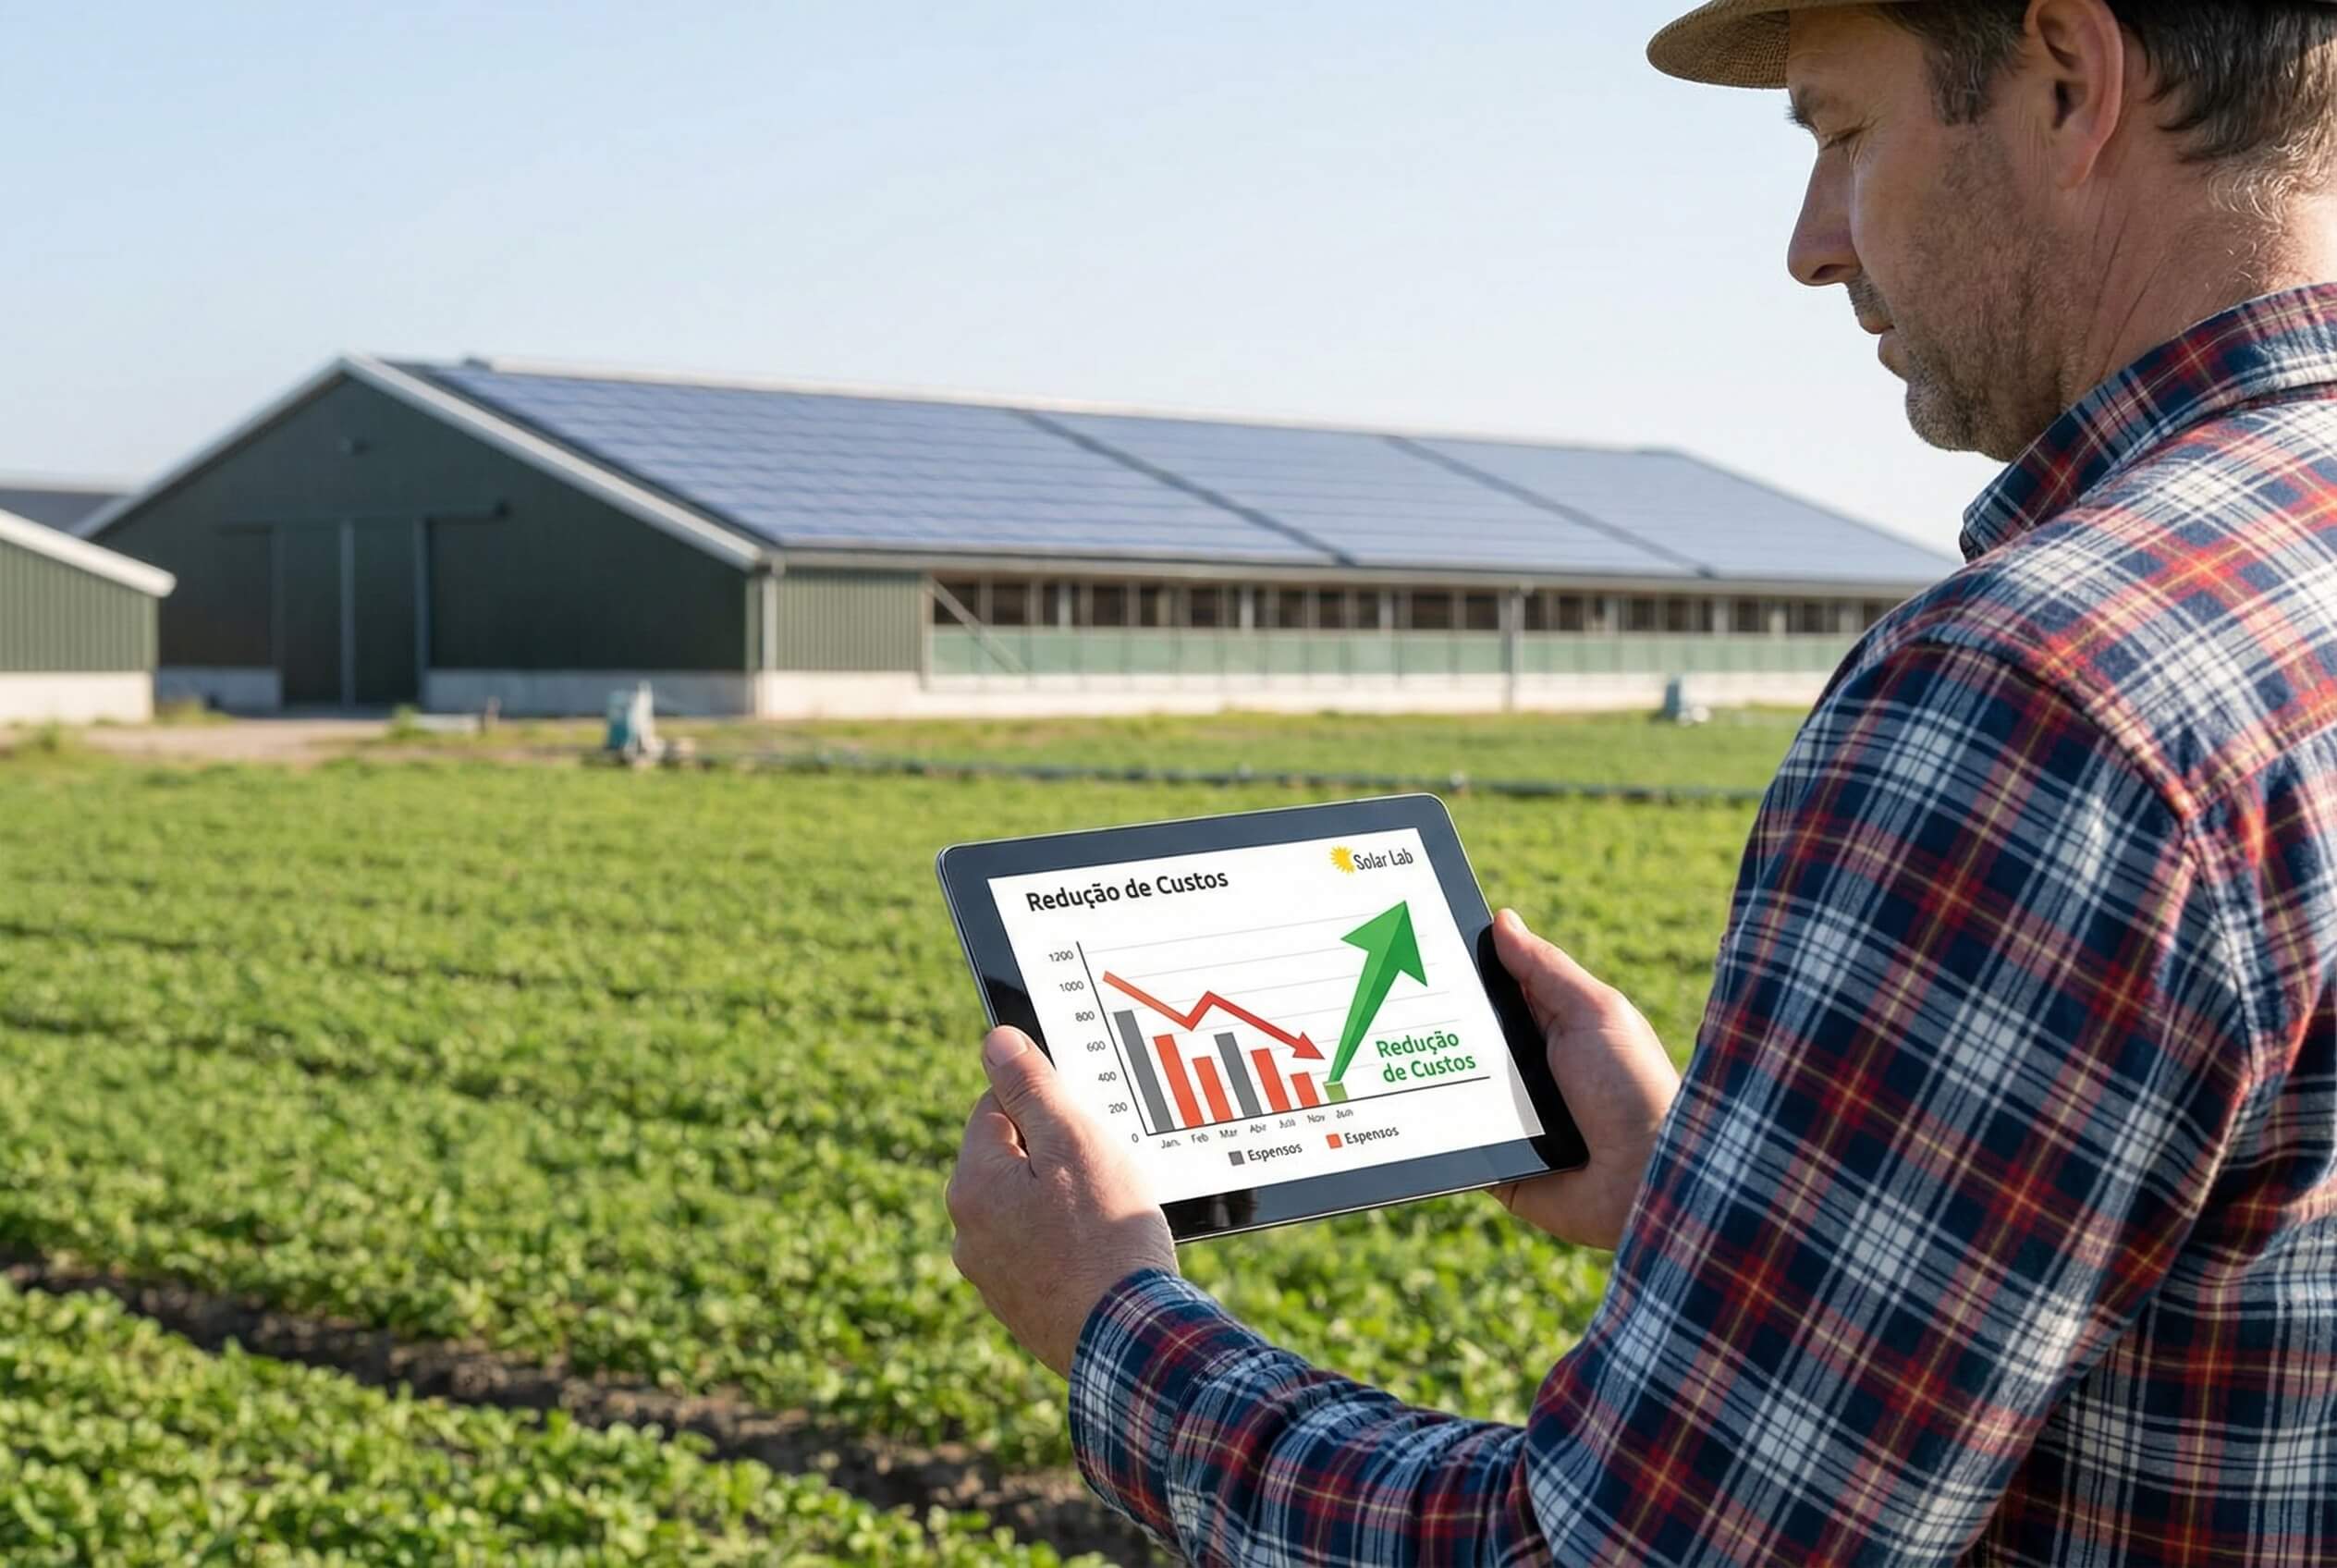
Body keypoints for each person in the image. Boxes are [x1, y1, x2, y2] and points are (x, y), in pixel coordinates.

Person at [947, 1, 2337, 1560]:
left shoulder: (2045, 691)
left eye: (1840, 135)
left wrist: (1115, 1322)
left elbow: (1624, 1549)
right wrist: (1711, 1194)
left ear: (2070, 80)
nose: (1812, 246)